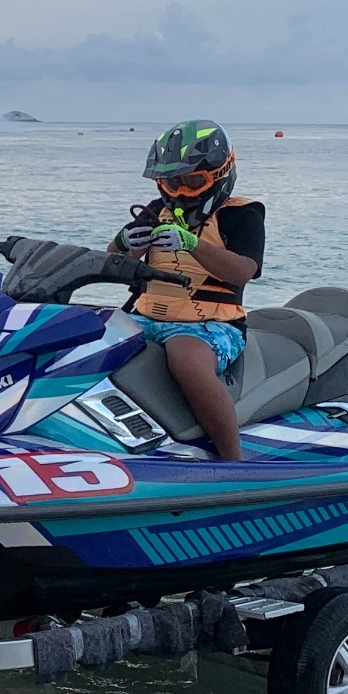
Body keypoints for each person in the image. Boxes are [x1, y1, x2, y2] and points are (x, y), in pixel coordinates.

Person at [115, 119, 266, 462]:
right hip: (145, 316)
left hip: (213, 323)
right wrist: (124, 243)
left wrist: (192, 244)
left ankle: (233, 460)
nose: (181, 192)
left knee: (186, 360)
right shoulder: (155, 212)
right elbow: (113, 261)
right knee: (85, 341)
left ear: (220, 174)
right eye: (172, 183)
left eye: (193, 181)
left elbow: (243, 271)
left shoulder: (242, 215)